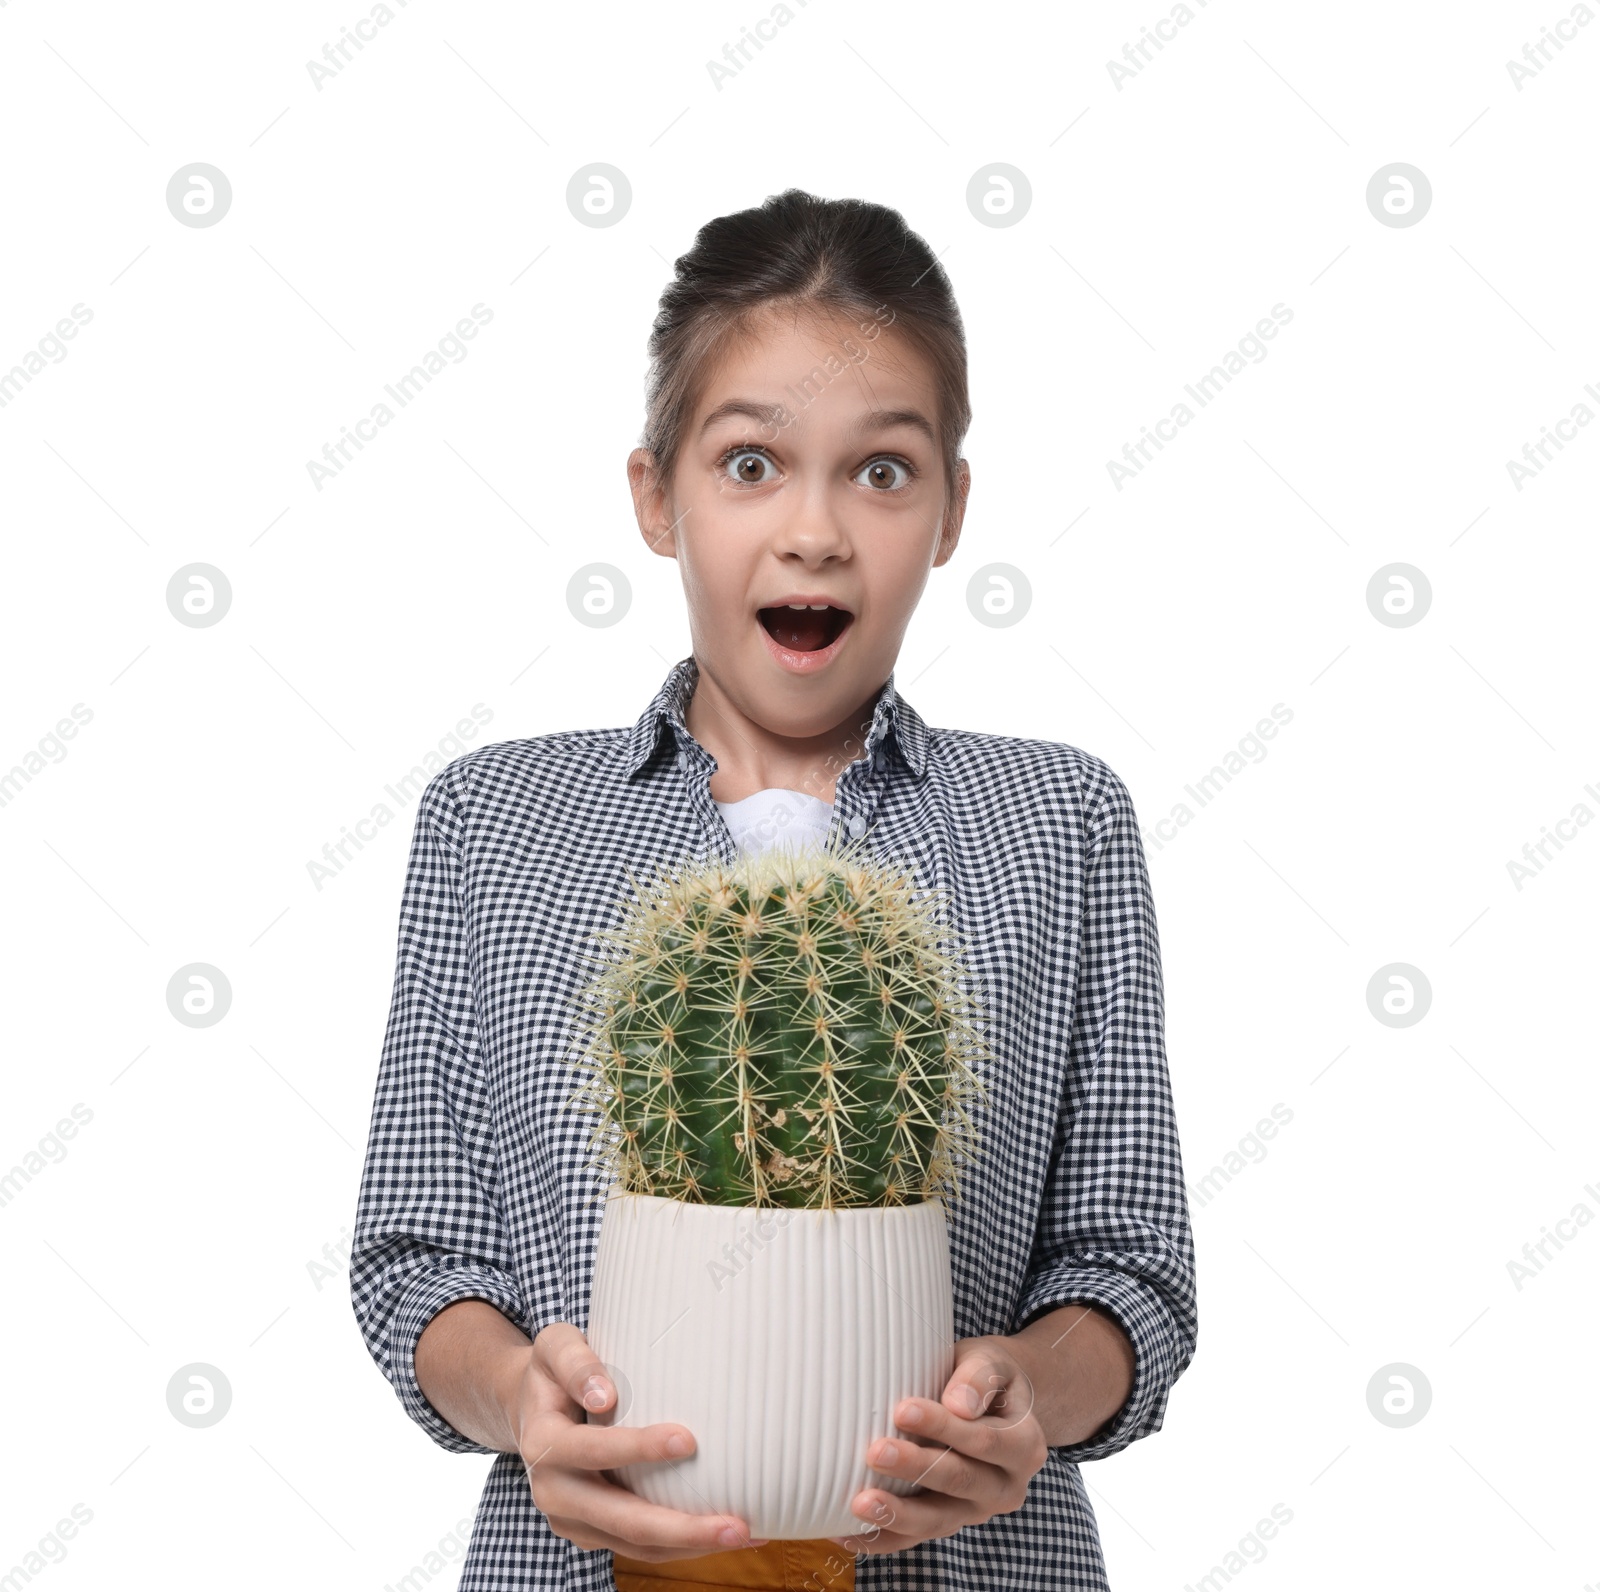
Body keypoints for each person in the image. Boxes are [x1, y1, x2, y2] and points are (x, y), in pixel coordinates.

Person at [348, 188, 1198, 1592]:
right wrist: (522, 1403)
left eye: (881, 472)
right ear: (656, 495)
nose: (814, 532)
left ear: (949, 512)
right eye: (751, 465)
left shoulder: (1062, 823)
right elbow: (420, 1261)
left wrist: (1029, 1393)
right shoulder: (492, 823)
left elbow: (1129, 1272)